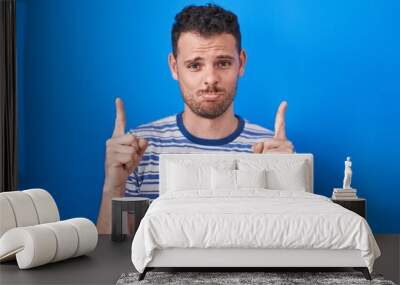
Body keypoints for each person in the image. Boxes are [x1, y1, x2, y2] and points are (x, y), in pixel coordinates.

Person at [97, 4, 294, 233]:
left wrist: (288, 181)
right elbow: (113, 253)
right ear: (174, 66)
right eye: (194, 65)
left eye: (223, 63)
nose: (210, 78)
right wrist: (114, 186)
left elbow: (283, 245)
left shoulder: (269, 151)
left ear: (241, 63)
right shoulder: (138, 148)